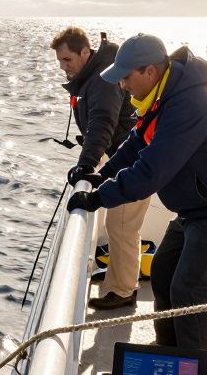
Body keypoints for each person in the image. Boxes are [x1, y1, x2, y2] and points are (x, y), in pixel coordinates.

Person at [67, 33, 207, 374]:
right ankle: (171, 347)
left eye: (127, 77)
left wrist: (98, 198)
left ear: (150, 71)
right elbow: (135, 144)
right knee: (162, 271)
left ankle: (201, 371)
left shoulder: (189, 104)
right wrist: (102, 174)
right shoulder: (162, 97)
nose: (124, 86)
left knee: (191, 286)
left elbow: (151, 171)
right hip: (200, 204)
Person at [51, 27, 150, 310]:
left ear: (85, 51)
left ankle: (121, 291)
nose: (63, 66)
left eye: (67, 59)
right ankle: (123, 277)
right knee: (121, 225)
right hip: (122, 157)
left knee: (120, 226)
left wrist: (85, 164)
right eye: (59, 60)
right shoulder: (93, 75)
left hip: (132, 160)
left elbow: (102, 124)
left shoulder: (102, 80)